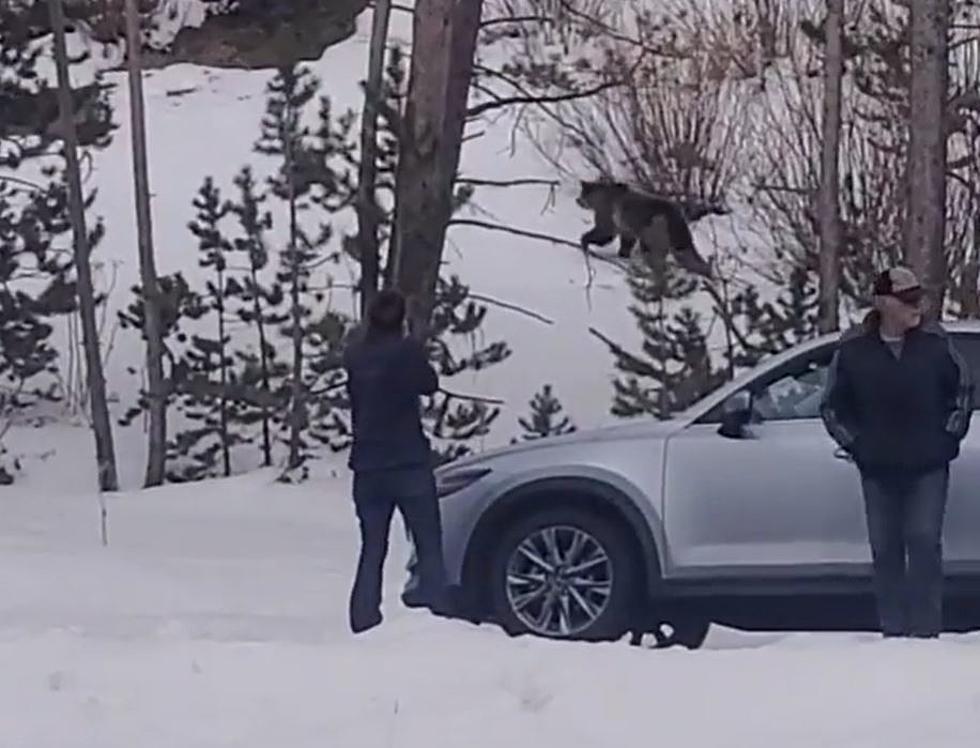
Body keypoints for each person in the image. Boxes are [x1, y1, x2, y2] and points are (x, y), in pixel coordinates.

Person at [820, 265, 973, 638]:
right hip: (878, 467)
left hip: (928, 464)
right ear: (883, 303)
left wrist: (947, 438)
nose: (915, 307)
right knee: (885, 549)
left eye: (917, 298)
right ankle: (893, 632)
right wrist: (856, 445)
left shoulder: (936, 343)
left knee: (922, 541)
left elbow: (963, 392)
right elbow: (832, 407)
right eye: (906, 301)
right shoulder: (854, 348)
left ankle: (925, 632)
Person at [342, 289, 450, 634]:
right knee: (428, 542)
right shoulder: (406, 351)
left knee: (372, 546)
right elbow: (429, 385)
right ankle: (439, 612)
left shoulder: (356, 354)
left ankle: (364, 618)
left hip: (368, 464)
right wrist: (417, 343)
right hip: (407, 461)